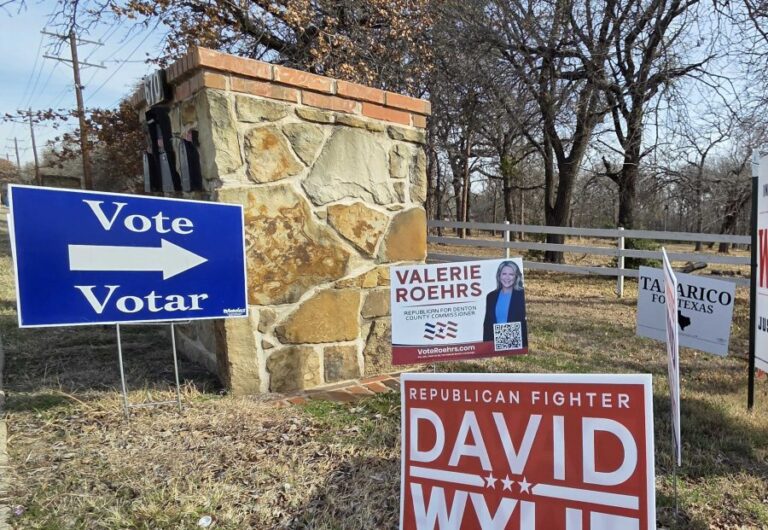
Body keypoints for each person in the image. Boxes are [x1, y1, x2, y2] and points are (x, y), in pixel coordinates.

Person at [482, 260, 528, 348]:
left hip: (517, 343)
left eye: (511, 274)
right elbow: (487, 324)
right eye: (504, 274)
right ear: (499, 276)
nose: (507, 278)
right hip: (493, 342)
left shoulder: (522, 295)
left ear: (516, 277)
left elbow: (523, 324)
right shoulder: (491, 296)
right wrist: (486, 348)